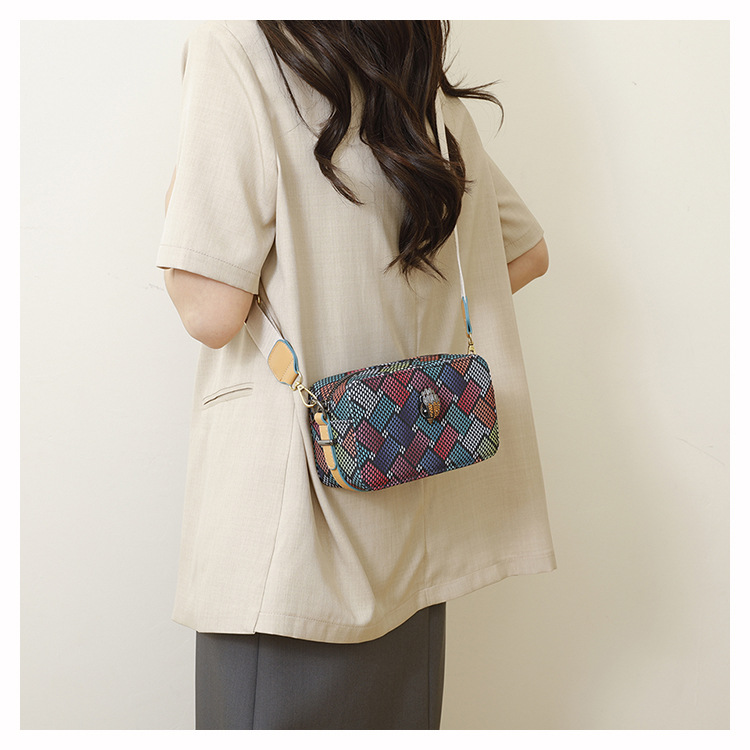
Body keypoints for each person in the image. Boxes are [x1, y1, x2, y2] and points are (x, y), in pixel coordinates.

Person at [158, 20, 556, 730]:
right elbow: (522, 253)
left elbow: (209, 309)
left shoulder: (240, 47)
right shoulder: (414, 77)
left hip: (287, 541)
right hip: (412, 506)